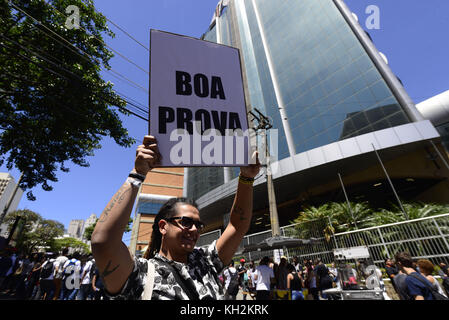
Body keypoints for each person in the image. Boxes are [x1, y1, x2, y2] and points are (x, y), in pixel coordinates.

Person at [91, 135, 260, 300]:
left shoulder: (206, 261)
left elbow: (237, 227)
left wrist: (246, 178)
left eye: (197, 224)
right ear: (163, 226)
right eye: (186, 222)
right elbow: (103, 241)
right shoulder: (140, 274)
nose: (194, 229)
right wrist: (137, 174)